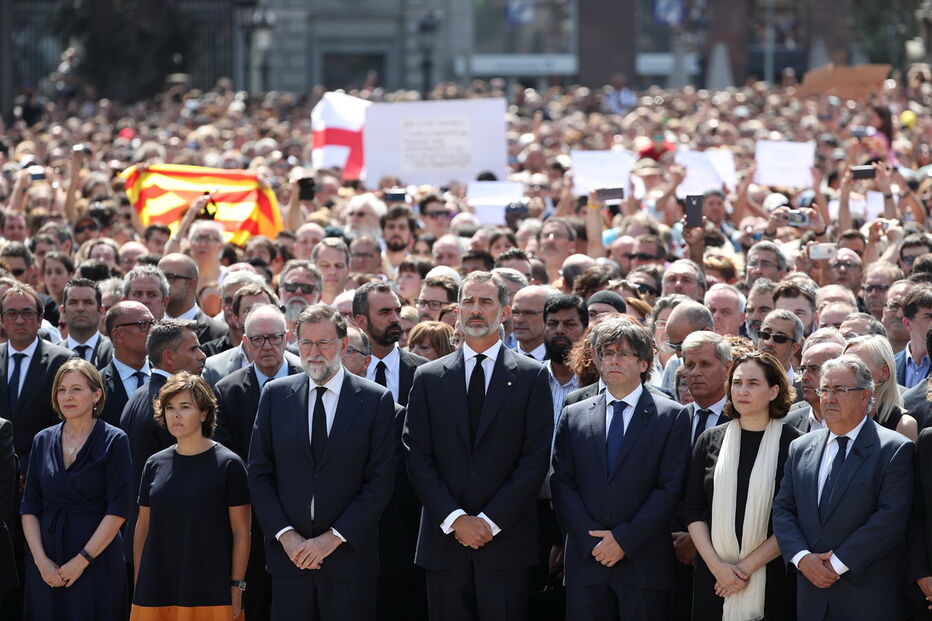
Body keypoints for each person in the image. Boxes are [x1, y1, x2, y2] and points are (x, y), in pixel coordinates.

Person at [404, 271, 554, 621]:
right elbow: (416, 456)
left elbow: (534, 460)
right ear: (457, 310)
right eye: (469, 301)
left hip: (505, 543)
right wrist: (456, 520)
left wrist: (488, 521)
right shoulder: (428, 377)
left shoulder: (532, 377)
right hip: (444, 542)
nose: (475, 309)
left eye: (485, 302)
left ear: (503, 312)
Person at [247, 304, 395, 620]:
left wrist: (331, 540)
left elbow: (380, 482)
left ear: (342, 345)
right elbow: (259, 474)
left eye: (323, 343)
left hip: (349, 561)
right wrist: (286, 537)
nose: (314, 352)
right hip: (290, 560)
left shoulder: (375, 400)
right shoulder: (275, 396)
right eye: (306, 343)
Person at [550, 317, 690, 620]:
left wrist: (623, 541)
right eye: (607, 353)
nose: (614, 361)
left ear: (643, 363)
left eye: (624, 354)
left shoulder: (671, 416)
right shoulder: (573, 415)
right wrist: (593, 543)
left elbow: (669, 489)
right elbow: (562, 483)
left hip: (644, 564)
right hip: (587, 564)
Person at [773, 355, 914, 620]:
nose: (829, 398)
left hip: (866, 599)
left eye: (839, 390)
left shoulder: (894, 449)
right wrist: (803, 558)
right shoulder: (800, 447)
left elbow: (890, 519)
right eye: (824, 390)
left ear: (865, 396)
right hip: (811, 598)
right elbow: (783, 509)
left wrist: (834, 565)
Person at [685, 351, 800, 621]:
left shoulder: (795, 444)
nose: (742, 391)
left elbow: (793, 518)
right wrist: (719, 568)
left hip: (770, 578)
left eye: (752, 383)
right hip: (714, 578)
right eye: (736, 383)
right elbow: (693, 510)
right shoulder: (709, 440)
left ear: (774, 391)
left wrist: (743, 569)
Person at [131, 372, 251, 621]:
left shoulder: (229, 465)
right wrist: (139, 583)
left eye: (185, 407)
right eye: (170, 407)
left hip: (211, 589)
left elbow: (242, 532)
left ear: (204, 412)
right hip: (157, 588)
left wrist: (237, 586)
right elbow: (142, 529)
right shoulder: (153, 464)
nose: (176, 414)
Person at [21, 359, 131, 620]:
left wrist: (81, 561)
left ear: (96, 394)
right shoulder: (42, 439)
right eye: (61, 389)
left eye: (76, 389)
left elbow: (118, 509)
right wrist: (41, 562)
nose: (67, 397)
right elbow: (29, 506)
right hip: (46, 558)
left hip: (97, 559)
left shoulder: (115, 440)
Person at [213, 304, 301, 621]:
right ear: (246, 343)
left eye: (274, 338)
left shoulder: (310, 379)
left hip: (305, 518)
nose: (267, 346)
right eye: (258, 339)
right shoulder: (227, 390)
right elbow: (228, 457)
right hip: (251, 520)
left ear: (287, 338)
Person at [119, 319, 207, 573]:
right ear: (169, 356)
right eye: (193, 349)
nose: (202, 356)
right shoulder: (172, 407)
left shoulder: (139, 396)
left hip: (145, 537)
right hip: (169, 542)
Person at [353, 282, 429, 406]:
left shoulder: (424, 371)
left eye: (398, 311)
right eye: (385, 312)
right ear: (361, 321)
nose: (395, 319)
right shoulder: (345, 371)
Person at [844, 335, 918, 441]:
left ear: (884, 372)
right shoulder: (835, 416)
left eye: (858, 367)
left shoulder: (903, 425)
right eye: (843, 365)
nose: (847, 373)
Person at [99, 302, 154, 426]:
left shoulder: (167, 380)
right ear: (118, 335)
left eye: (153, 323)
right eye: (144, 324)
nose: (153, 330)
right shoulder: (96, 385)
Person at [58, 278, 113, 369]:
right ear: (63, 310)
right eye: (73, 302)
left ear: (101, 310)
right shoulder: (52, 356)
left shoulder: (114, 352)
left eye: (88, 302)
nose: (80, 308)